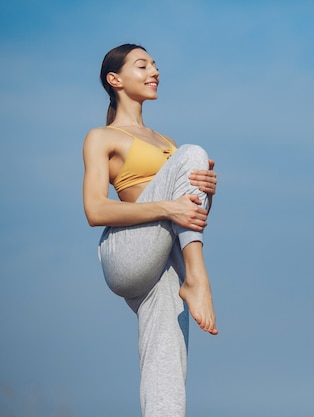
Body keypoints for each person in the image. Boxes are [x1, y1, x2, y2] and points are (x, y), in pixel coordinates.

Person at [82, 43, 218, 417]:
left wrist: (205, 192)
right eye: (142, 66)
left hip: (163, 260)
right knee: (191, 153)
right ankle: (198, 279)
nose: (154, 71)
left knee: (166, 368)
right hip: (124, 251)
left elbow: (185, 219)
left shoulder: (166, 143)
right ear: (116, 80)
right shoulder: (102, 136)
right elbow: (95, 209)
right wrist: (168, 205)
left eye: (155, 65)